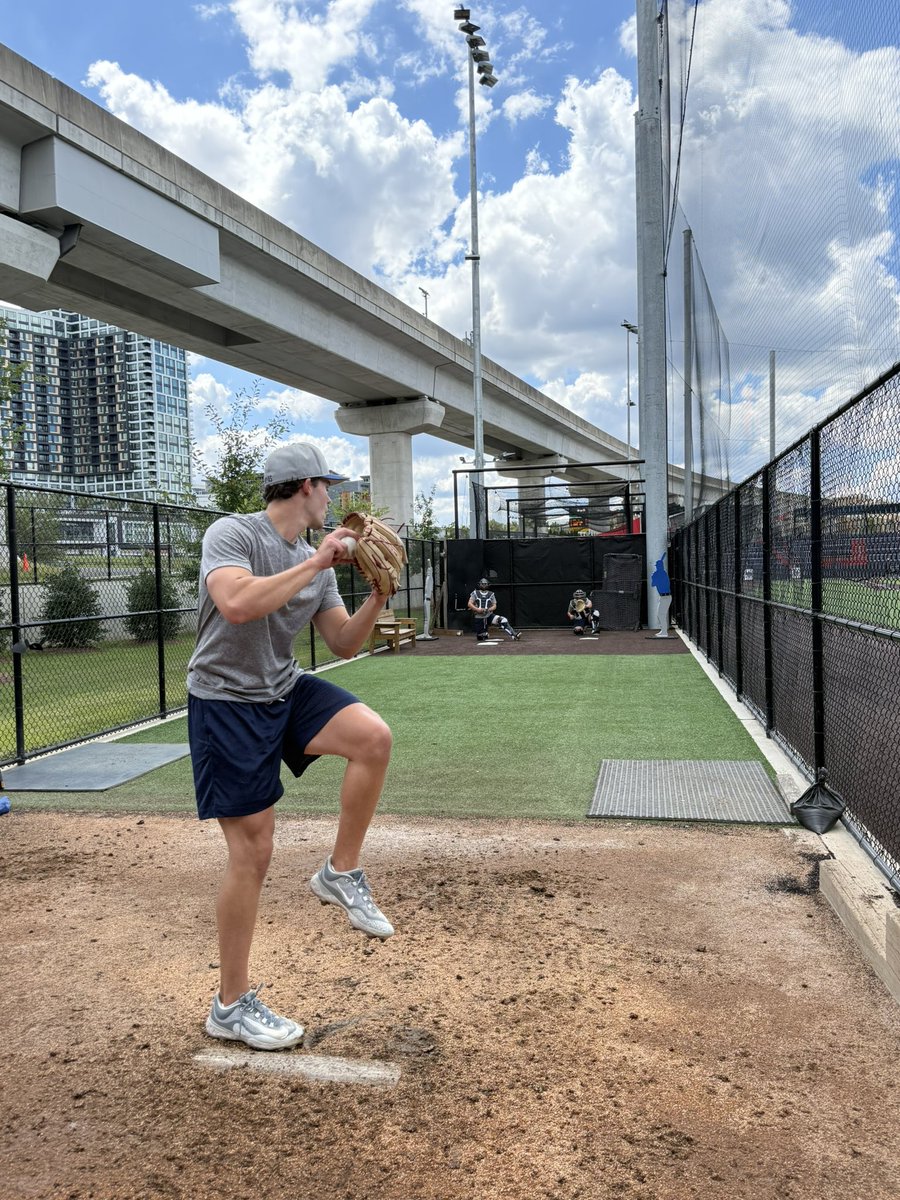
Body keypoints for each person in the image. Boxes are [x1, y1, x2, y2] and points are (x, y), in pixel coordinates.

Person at [188, 442, 395, 1052]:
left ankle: (341, 871)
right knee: (253, 852)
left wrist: (378, 594)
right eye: (328, 486)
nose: (332, 497)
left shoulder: (315, 560)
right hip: (227, 701)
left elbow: (342, 643)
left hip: (284, 689)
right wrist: (319, 561)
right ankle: (230, 1005)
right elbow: (236, 603)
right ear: (305, 486)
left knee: (372, 738)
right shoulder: (234, 534)